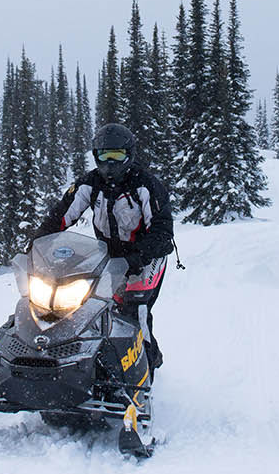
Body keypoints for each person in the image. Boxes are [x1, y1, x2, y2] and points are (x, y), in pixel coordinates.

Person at [31, 123, 174, 368]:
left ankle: (146, 366)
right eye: (104, 155)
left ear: (129, 155)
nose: (110, 162)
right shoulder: (90, 183)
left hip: (148, 255)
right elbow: (62, 215)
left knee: (134, 309)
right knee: (91, 306)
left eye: (117, 155)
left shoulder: (146, 185)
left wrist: (138, 258)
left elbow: (162, 230)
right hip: (108, 256)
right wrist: (36, 243)